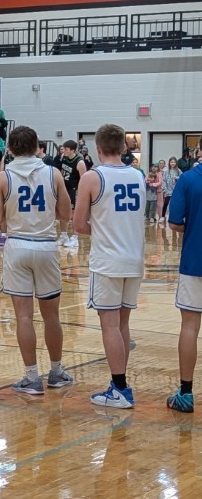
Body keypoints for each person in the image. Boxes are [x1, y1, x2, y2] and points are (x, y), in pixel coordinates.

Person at [0, 126, 73, 395]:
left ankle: (31, 377)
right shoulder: (53, 173)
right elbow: (65, 214)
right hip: (46, 246)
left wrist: (7, 220)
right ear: (37, 146)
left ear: (10, 149)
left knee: (23, 317)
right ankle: (56, 373)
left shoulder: (3, 177)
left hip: (17, 246)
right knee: (51, 317)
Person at [74, 123, 146, 409]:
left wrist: (102, 230)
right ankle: (119, 384)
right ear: (125, 147)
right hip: (135, 259)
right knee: (123, 324)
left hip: (108, 261)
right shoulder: (138, 175)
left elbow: (79, 224)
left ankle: (119, 388)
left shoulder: (92, 177)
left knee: (109, 325)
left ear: (98, 148)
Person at [166, 156, 202, 411]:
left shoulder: (188, 179)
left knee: (189, 327)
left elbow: (175, 223)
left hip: (195, 261)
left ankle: (186, 394)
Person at [54, 139, 86, 249]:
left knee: (73, 214)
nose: (64, 151)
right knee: (63, 213)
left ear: (73, 150)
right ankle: (63, 235)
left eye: (66, 149)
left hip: (74, 189)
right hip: (64, 188)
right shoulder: (64, 158)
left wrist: (81, 194)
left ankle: (75, 238)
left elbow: (84, 179)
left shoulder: (79, 162)